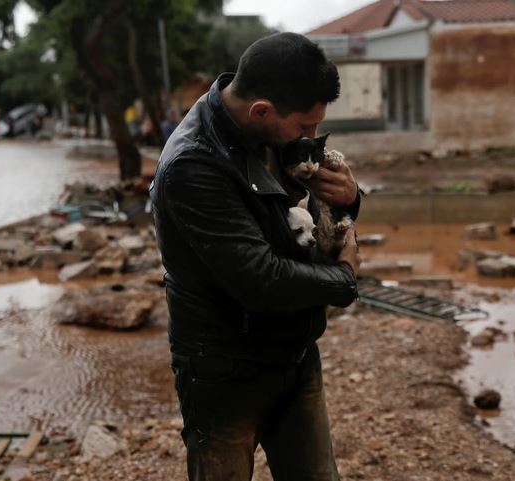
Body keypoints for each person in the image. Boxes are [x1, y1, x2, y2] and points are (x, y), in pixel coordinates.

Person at [150, 32, 362, 481]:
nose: (310, 139)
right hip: (223, 369)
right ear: (261, 111)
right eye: (304, 128)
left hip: (295, 354)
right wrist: (344, 279)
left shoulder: (270, 129)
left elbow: (309, 227)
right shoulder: (192, 166)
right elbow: (260, 278)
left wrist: (349, 198)